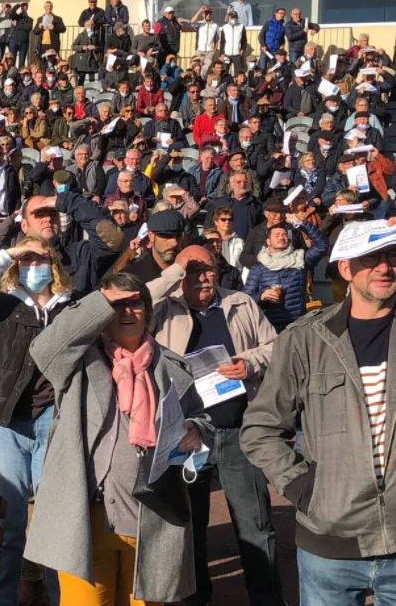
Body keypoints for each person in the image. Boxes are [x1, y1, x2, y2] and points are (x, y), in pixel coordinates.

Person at [25, 271, 211, 604]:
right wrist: (99, 301)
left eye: (134, 303)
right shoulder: (78, 361)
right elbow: (43, 349)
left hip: (151, 517)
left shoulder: (173, 366)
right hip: (86, 519)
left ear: (148, 311)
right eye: (116, 305)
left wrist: (197, 431)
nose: (126, 312)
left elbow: (203, 419)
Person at [241, 222, 396, 604]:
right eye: (371, 257)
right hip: (329, 546)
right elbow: (260, 428)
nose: (385, 267)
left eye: (392, 256)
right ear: (345, 268)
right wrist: (303, 488)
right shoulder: (305, 339)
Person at [148, 245, 283, 606]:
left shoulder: (240, 302)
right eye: (192, 271)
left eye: (207, 269)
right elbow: (131, 302)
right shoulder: (163, 309)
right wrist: (174, 273)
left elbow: (276, 347)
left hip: (239, 431)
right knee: (190, 529)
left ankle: (267, 599)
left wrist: (249, 362)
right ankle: (197, 599)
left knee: (256, 526)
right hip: (187, 434)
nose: (202, 277)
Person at [0, 235, 70, 605]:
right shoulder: (4, 305)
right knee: (9, 522)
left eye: (41, 260)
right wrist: (9, 253)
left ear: (54, 265)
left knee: (54, 522)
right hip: (6, 423)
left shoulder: (69, 308)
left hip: (52, 418)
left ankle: (59, 598)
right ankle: (4, 599)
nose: (34, 267)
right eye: (27, 260)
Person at [243, 217, 329, 332]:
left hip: (296, 325)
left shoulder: (300, 259)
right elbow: (246, 298)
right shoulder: (259, 267)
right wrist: (261, 296)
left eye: (284, 235)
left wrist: (302, 223)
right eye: (277, 235)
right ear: (268, 241)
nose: (281, 238)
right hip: (268, 326)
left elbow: (322, 245)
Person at [125, 209, 185, 284]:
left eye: (178, 236)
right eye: (167, 236)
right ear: (151, 236)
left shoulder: (191, 270)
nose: (174, 243)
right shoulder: (134, 277)